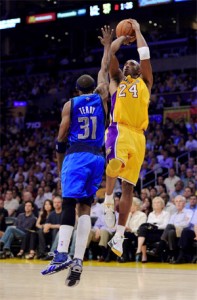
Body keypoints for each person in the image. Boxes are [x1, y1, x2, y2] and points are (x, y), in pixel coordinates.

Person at [41, 26, 113, 287]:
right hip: (97, 158)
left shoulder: (70, 104)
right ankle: (78, 260)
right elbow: (104, 69)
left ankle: (61, 253)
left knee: (69, 202)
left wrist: (61, 160)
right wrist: (107, 45)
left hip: (77, 156)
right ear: (93, 87)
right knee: (85, 207)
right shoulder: (101, 97)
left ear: (75, 89)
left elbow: (61, 136)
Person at [103, 19, 153, 257]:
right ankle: (108, 202)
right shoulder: (117, 81)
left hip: (139, 136)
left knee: (130, 188)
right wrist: (123, 37)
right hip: (120, 130)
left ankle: (119, 236)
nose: (128, 64)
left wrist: (139, 32)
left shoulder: (146, 82)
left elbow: (144, 54)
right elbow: (112, 53)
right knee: (115, 163)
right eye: (126, 63)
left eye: (132, 63)